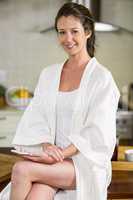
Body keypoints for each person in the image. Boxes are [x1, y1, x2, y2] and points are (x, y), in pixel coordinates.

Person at [0, 2, 120, 200]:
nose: (68, 39)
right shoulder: (49, 74)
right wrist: (47, 146)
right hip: (52, 161)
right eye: (62, 32)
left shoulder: (101, 77)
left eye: (74, 31)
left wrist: (62, 154)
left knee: (21, 169)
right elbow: (37, 118)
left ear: (87, 32)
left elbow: (97, 131)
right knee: (36, 195)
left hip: (84, 164)